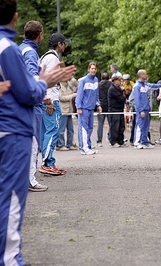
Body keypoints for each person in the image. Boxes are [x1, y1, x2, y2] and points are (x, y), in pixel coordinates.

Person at [0, 1, 76, 263]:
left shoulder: (15, 47)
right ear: (15, 16)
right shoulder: (10, 48)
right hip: (12, 128)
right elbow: (26, 89)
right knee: (10, 198)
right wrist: (44, 85)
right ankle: (10, 259)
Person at [19, 20, 49, 192]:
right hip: (32, 103)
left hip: (20, 102)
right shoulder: (30, 53)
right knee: (33, 141)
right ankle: (30, 179)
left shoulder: (20, 49)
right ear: (39, 35)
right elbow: (32, 75)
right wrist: (41, 94)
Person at [39, 32, 71, 175]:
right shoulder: (52, 58)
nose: (65, 46)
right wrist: (49, 101)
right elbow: (49, 81)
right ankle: (47, 163)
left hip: (44, 98)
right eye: (64, 43)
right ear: (59, 44)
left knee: (47, 131)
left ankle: (47, 161)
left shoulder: (45, 56)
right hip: (50, 99)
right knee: (52, 131)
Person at [75, 62, 102, 155]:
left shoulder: (96, 80)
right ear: (88, 69)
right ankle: (84, 148)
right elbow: (79, 95)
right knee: (83, 128)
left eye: (95, 69)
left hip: (91, 108)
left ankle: (88, 146)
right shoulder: (83, 81)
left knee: (90, 128)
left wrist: (98, 105)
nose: (93, 70)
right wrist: (78, 107)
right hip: (84, 108)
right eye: (92, 68)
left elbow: (96, 94)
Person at [132, 69, 161, 149]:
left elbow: (154, 86)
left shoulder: (145, 85)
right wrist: (140, 110)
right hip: (141, 110)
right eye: (146, 74)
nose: (147, 75)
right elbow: (137, 100)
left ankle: (145, 142)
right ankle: (137, 142)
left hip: (146, 109)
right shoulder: (137, 86)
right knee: (139, 126)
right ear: (141, 75)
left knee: (146, 127)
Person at [58, 77, 78, 151]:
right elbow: (61, 97)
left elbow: (76, 84)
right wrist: (71, 96)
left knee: (71, 129)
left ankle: (70, 144)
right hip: (63, 110)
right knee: (61, 129)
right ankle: (61, 145)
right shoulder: (59, 86)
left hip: (69, 110)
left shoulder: (69, 85)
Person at [108, 75, 128, 147]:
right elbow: (121, 98)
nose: (121, 82)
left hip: (120, 109)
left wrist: (123, 91)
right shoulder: (112, 89)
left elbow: (125, 96)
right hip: (114, 109)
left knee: (121, 126)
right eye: (119, 80)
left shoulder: (118, 88)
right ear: (115, 81)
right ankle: (113, 141)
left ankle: (120, 141)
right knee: (115, 127)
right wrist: (123, 94)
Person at [97, 72, 111, 147]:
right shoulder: (111, 85)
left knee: (100, 124)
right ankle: (110, 138)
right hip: (109, 106)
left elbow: (97, 95)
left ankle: (99, 141)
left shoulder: (98, 85)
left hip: (101, 105)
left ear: (101, 78)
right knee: (110, 124)